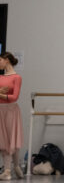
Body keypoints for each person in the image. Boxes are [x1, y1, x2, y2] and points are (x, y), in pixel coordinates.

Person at [0, 52, 22, 180]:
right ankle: (9, 169)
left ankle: (15, 167)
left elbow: (14, 97)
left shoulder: (16, 77)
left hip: (11, 111)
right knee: (3, 141)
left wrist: (1, 95)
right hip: (0, 110)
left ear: (6, 60)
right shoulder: (1, 77)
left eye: (0, 60)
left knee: (11, 139)